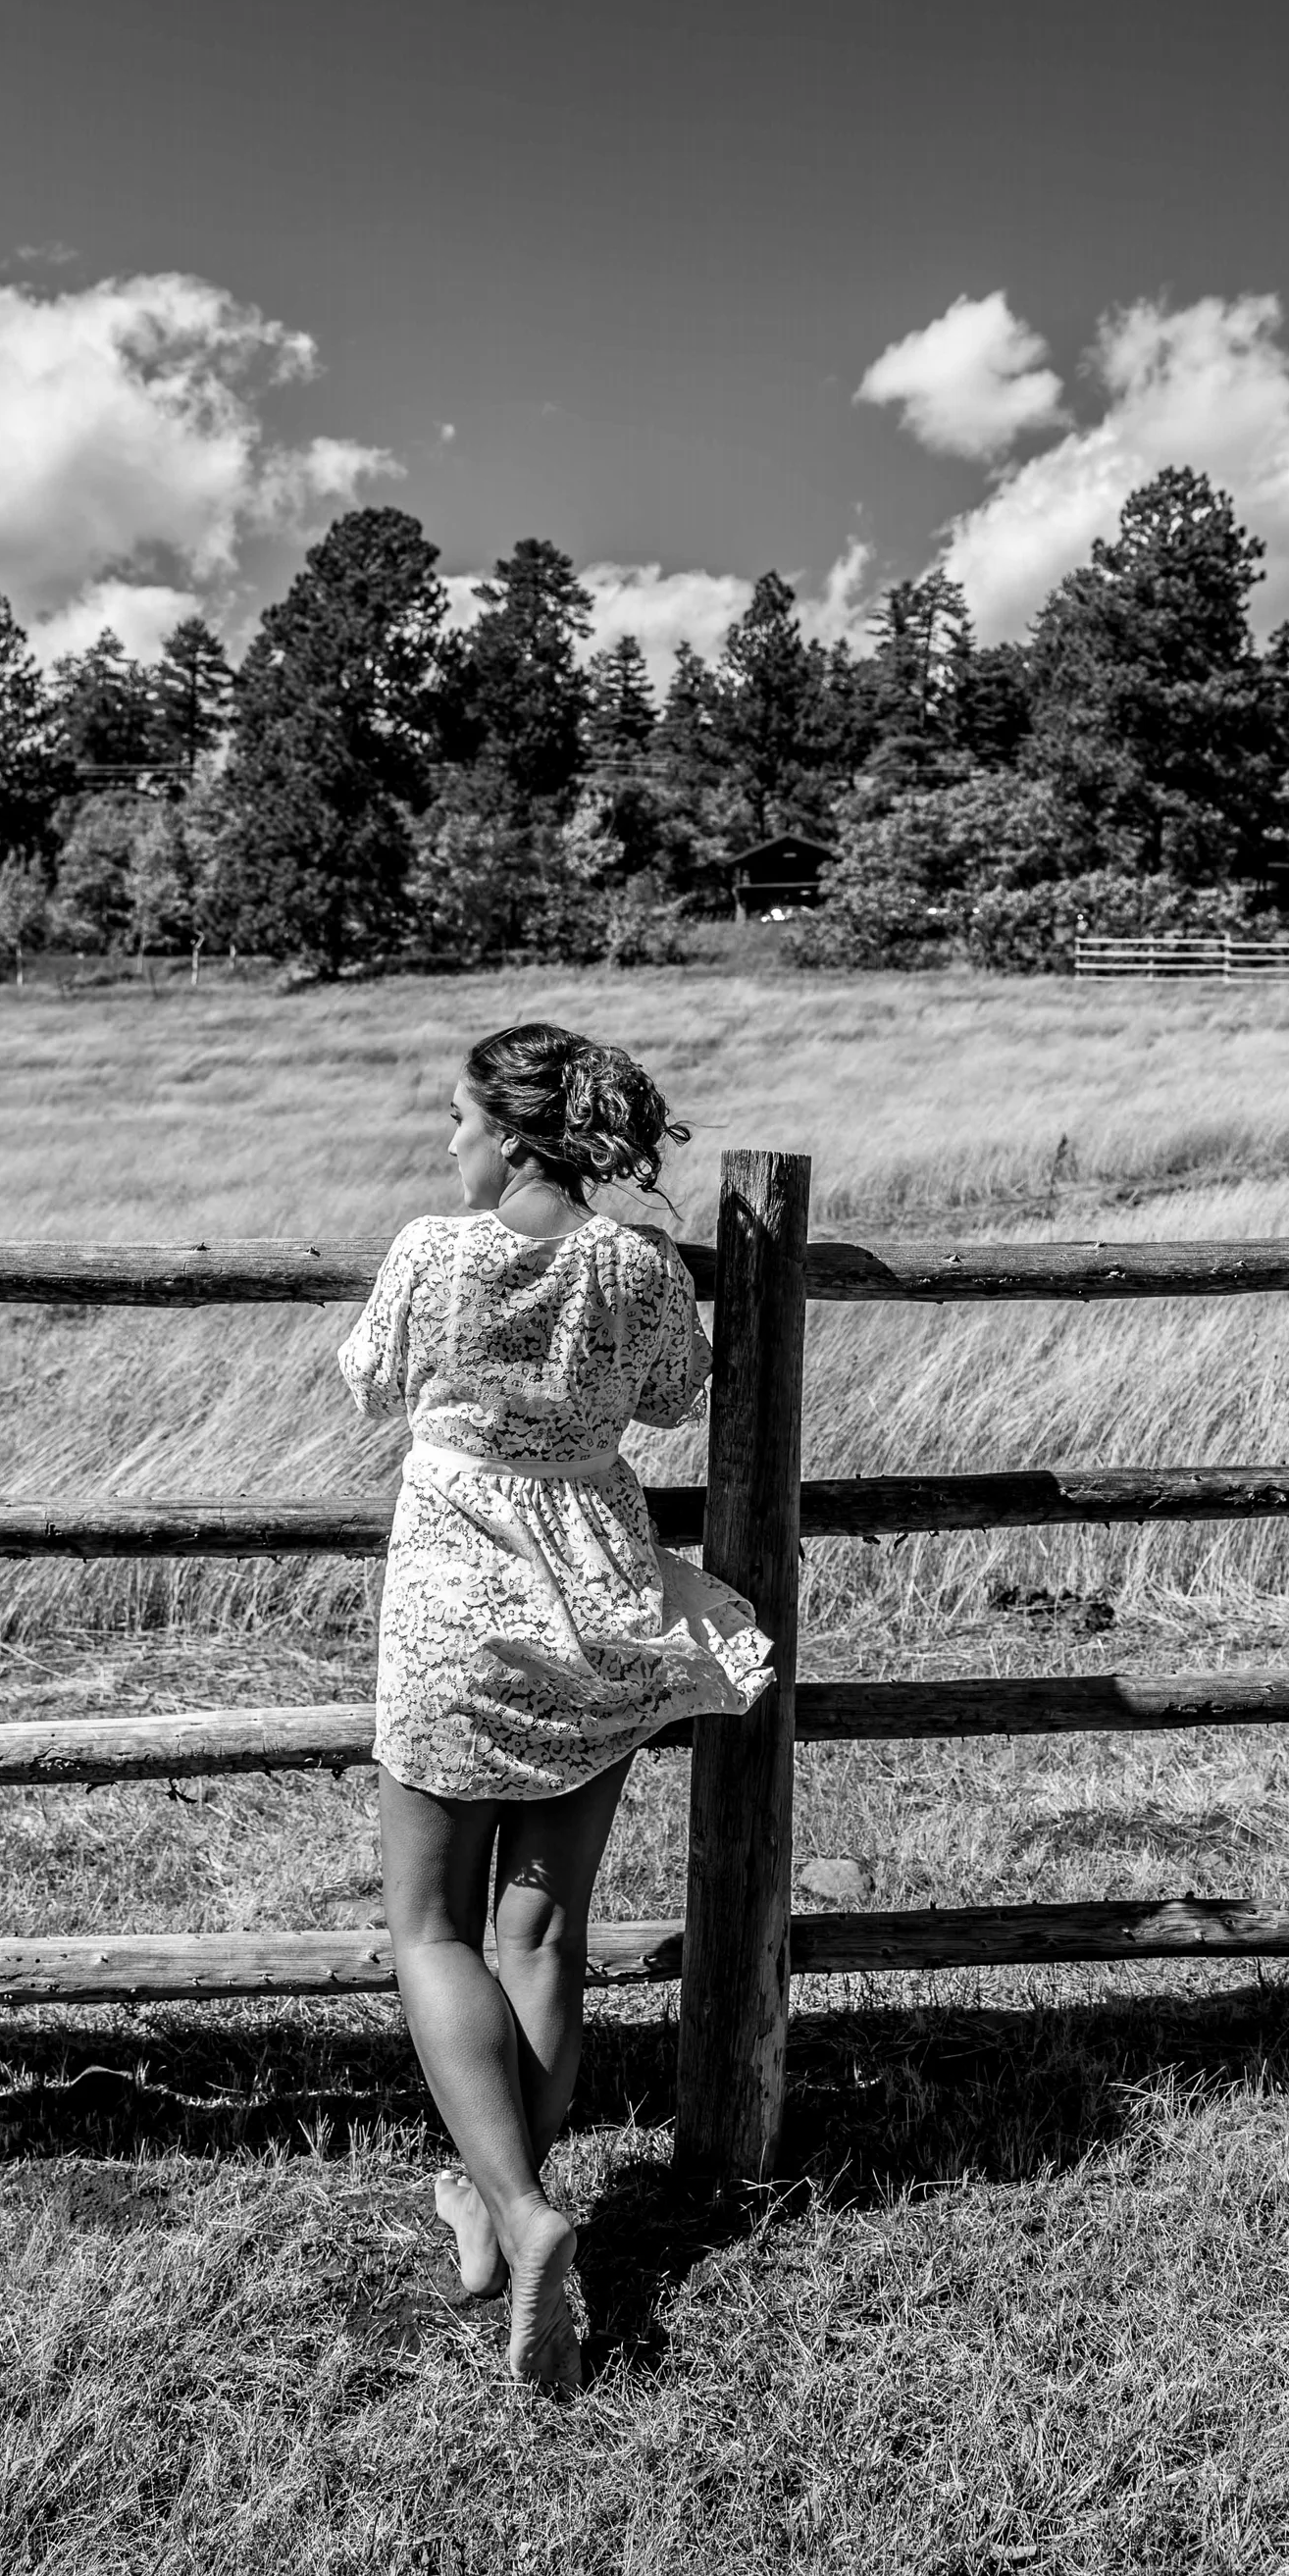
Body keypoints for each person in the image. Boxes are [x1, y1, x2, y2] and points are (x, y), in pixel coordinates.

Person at [338, 1022, 772, 2404]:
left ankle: (521, 2211)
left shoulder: (432, 1252)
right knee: (539, 1928)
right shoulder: (635, 1265)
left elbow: (371, 1380)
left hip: (451, 1606)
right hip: (590, 1597)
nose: (448, 1143)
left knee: (429, 1927)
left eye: (458, 1120)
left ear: (513, 1134)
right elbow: (673, 1394)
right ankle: (495, 2202)